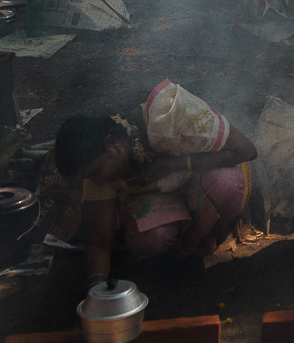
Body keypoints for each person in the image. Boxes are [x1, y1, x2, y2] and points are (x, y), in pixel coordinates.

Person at [53, 82, 258, 281]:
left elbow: (247, 150)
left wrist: (171, 165)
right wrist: (96, 289)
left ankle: (200, 245)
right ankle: (175, 252)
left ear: (112, 143)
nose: (97, 181)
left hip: (202, 176)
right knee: (149, 238)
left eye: (97, 171)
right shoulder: (98, 172)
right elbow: (98, 241)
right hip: (162, 198)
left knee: (226, 186)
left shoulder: (168, 115)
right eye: (90, 177)